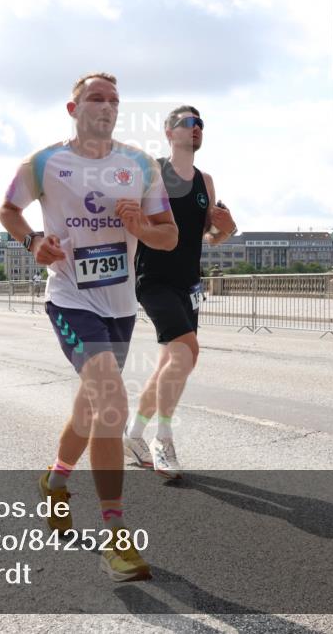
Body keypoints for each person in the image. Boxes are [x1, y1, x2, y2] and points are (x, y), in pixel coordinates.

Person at [0, 72, 177, 582]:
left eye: (114, 100)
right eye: (96, 98)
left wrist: (141, 227)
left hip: (120, 307)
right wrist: (34, 241)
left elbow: (168, 236)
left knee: (92, 406)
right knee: (112, 402)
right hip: (70, 300)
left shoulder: (140, 165)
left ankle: (55, 482)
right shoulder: (43, 163)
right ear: (73, 109)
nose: (106, 106)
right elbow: (8, 210)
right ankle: (116, 535)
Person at [125, 106, 237, 480]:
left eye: (200, 123)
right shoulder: (153, 173)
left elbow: (212, 237)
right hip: (154, 279)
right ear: (169, 132)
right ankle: (163, 439)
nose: (196, 128)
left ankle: (133, 434)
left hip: (189, 284)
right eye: (188, 123)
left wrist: (228, 228)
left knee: (170, 364)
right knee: (188, 351)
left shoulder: (206, 182)